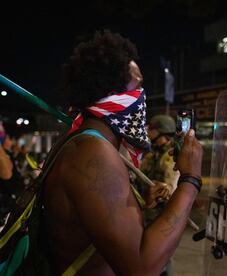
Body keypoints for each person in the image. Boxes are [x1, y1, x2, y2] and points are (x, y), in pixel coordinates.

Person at [44, 30, 203, 275]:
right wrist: (190, 180)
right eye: (138, 86)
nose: (142, 98)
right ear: (114, 97)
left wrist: (138, 204)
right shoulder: (92, 153)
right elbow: (142, 268)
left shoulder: (81, 144)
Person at [140, 114, 180, 276]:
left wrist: (166, 188)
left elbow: (171, 185)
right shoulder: (152, 152)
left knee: (161, 259)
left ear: (162, 131)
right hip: (147, 212)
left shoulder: (171, 155)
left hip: (162, 214)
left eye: (152, 129)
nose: (148, 131)